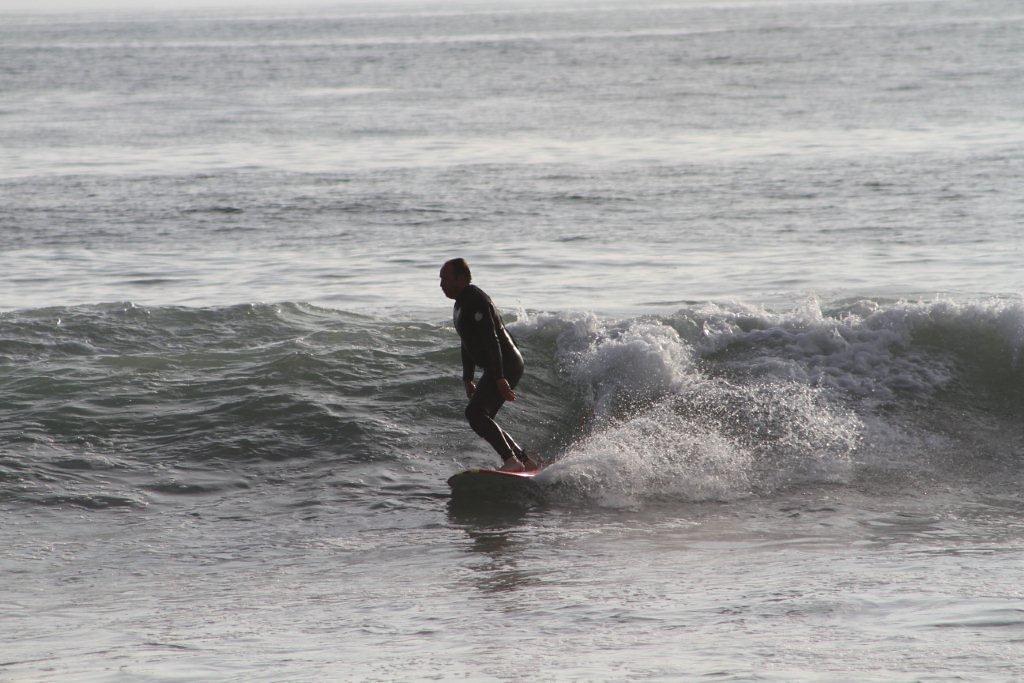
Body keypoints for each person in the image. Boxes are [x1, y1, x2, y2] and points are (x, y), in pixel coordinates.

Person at [439, 258, 537, 472]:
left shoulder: (476, 300)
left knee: (475, 414)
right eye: (440, 279)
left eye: (445, 278)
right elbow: (467, 343)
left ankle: (512, 461)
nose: (441, 284)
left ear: (462, 278)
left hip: (506, 363)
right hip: (499, 366)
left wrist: (500, 377)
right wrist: (468, 378)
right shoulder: (460, 303)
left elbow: (491, 339)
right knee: (482, 417)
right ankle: (524, 461)